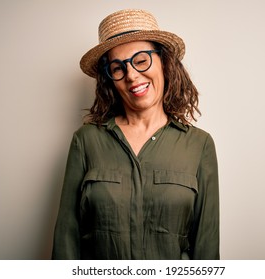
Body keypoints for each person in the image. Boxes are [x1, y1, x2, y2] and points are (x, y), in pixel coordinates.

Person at [52, 9, 219, 260]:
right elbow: (66, 239)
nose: (131, 75)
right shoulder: (86, 141)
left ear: (164, 62)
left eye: (141, 61)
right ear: (110, 80)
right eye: (118, 68)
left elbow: (207, 246)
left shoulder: (199, 145)